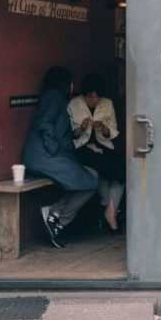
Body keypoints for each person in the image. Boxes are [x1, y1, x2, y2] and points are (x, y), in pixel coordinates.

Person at [22, 66, 99, 248]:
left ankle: (55, 215)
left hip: (49, 157)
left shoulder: (55, 97)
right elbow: (45, 124)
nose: (73, 86)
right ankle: (58, 218)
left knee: (92, 177)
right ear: (64, 82)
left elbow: (59, 129)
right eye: (71, 82)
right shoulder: (54, 96)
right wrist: (55, 149)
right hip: (45, 158)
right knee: (90, 181)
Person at [68, 73, 125, 233]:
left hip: (104, 144)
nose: (93, 100)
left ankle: (109, 209)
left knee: (121, 167)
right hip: (82, 147)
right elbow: (71, 133)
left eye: (96, 97)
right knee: (102, 167)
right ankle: (111, 213)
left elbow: (113, 129)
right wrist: (81, 128)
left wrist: (104, 129)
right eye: (89, 97)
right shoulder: (74, 104)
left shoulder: (108, 104)